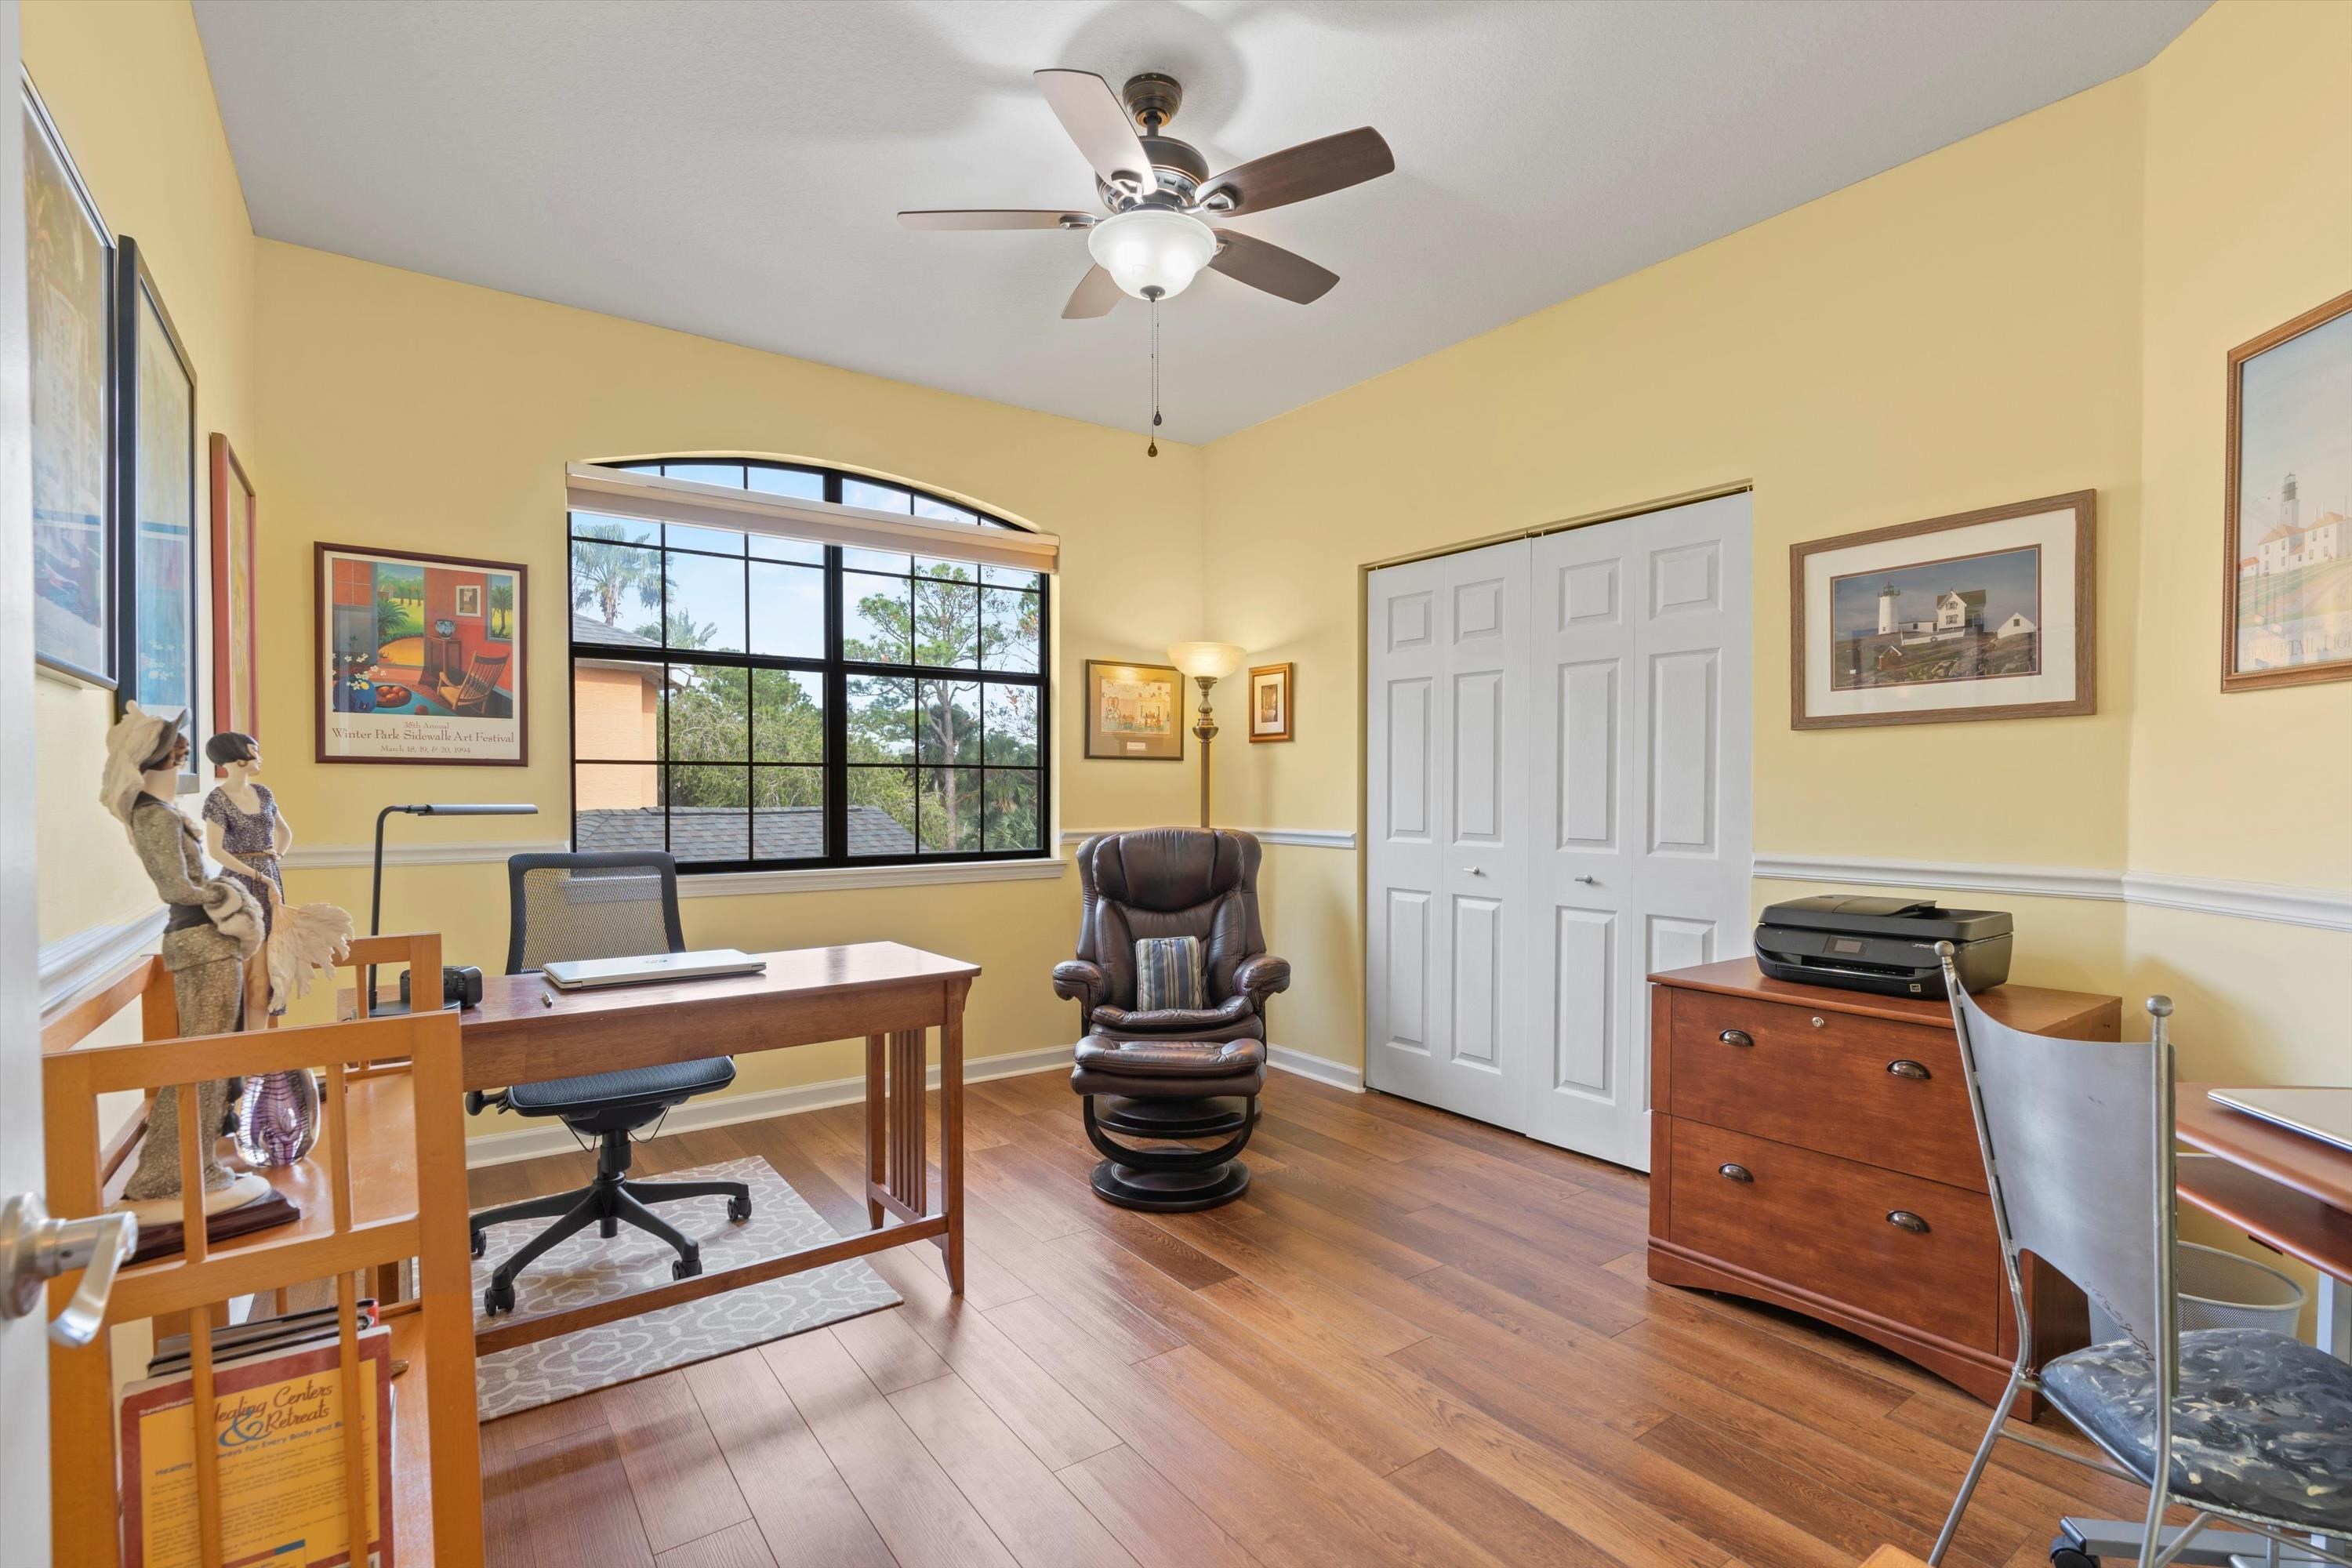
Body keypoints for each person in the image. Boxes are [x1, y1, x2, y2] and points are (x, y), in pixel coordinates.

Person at [100, 706, 268, 1217]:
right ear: (153, 753)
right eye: (173, 742)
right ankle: (164, 1174)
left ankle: (197, 1166)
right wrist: (228, 895)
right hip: (201, 942)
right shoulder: (152, 815)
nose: (183, 749)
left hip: (211, 944)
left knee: (213, 1065)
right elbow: (176, 886)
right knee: (201, 1064)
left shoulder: (166, 810)